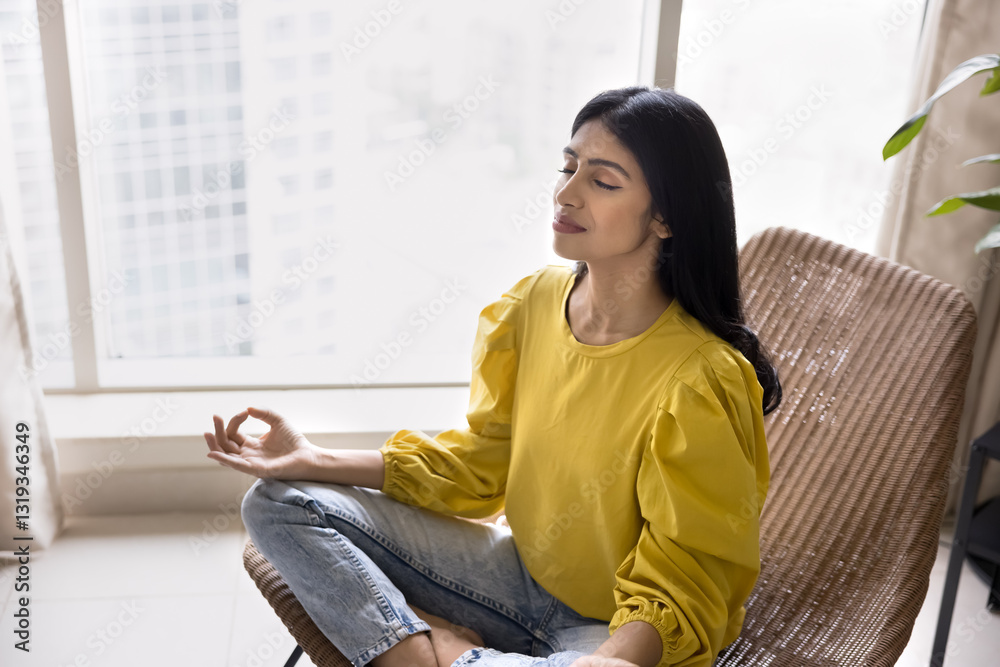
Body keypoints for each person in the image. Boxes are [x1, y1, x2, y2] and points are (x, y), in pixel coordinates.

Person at [205, 85, 781, 667]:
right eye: (568, 167)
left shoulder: (700, 379)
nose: (566, 193)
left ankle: (447, 648)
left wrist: (607, 660)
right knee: (277, 502)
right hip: (513, 573)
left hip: (613, 627)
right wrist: (314, 459)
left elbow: (687, 577)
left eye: (603, 182)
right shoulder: (535, 303)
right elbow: (483, 460)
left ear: (665, 217)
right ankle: (416, 654)